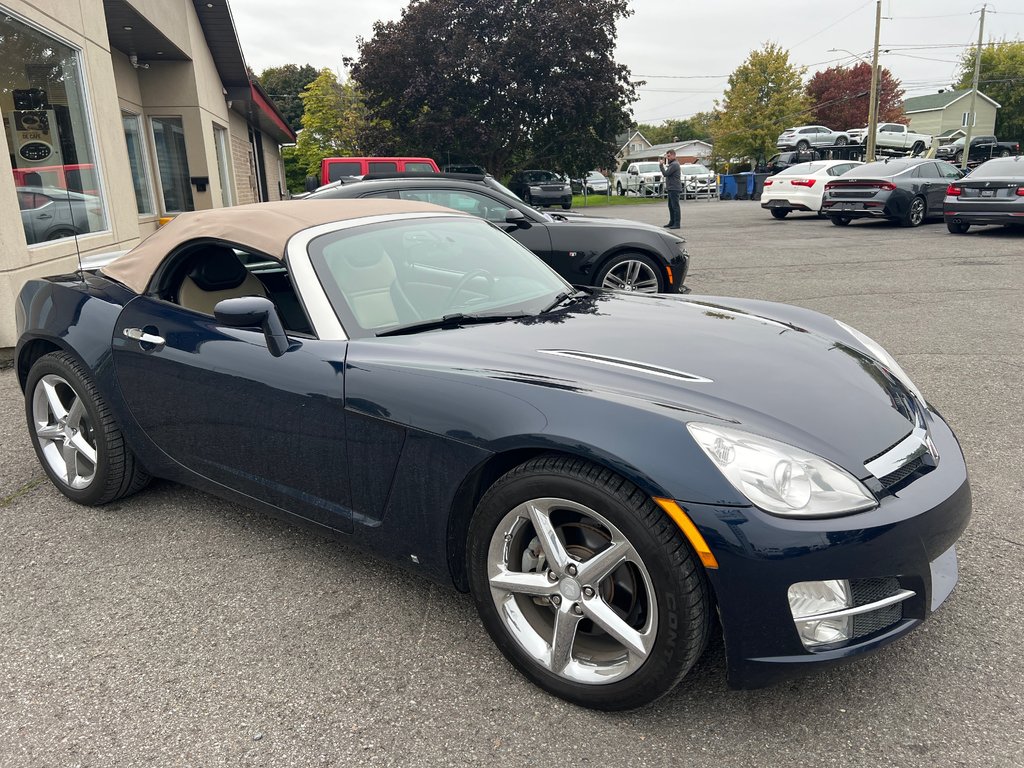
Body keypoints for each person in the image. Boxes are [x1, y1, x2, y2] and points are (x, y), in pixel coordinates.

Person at [659, 150, 681, 229]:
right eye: (667, 156)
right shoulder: (672, 164)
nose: (667, 158)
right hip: (671, 187)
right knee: (670, 206)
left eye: (669, 156)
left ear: (673, 155)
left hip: (674, 188)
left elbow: (666, 174)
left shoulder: (674, 164)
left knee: (675, 206)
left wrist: (661, 165)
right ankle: (672, 222)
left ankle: (677, 223)